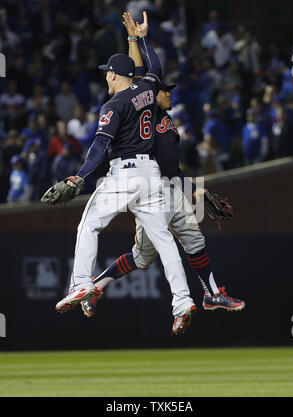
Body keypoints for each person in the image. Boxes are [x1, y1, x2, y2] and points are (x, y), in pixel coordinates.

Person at [81, 12, 245, 320]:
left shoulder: (168, 121)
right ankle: (96, 283)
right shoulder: (144, 112)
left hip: (173, 187)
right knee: (143, 257)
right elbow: (140, 70)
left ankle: (211, 294)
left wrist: (193, 189)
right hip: (151, 188)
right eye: (163, 89)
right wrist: (136, 38)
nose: (168, 92)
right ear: (150, 94)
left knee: (194, 238)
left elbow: (173, 165)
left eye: (168, 89)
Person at [54, 11, 197, 336]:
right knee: (164, 240)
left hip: (126, 173)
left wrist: (80, 176)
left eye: (108, 74)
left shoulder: (113, 105)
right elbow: (156, 69)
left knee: (88, 224)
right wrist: (141, 37)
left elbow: (99, 146)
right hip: (151, 175)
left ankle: (80, 284)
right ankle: (183, 301)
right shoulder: (147, 89)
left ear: (117, 75)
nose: (106, 78)